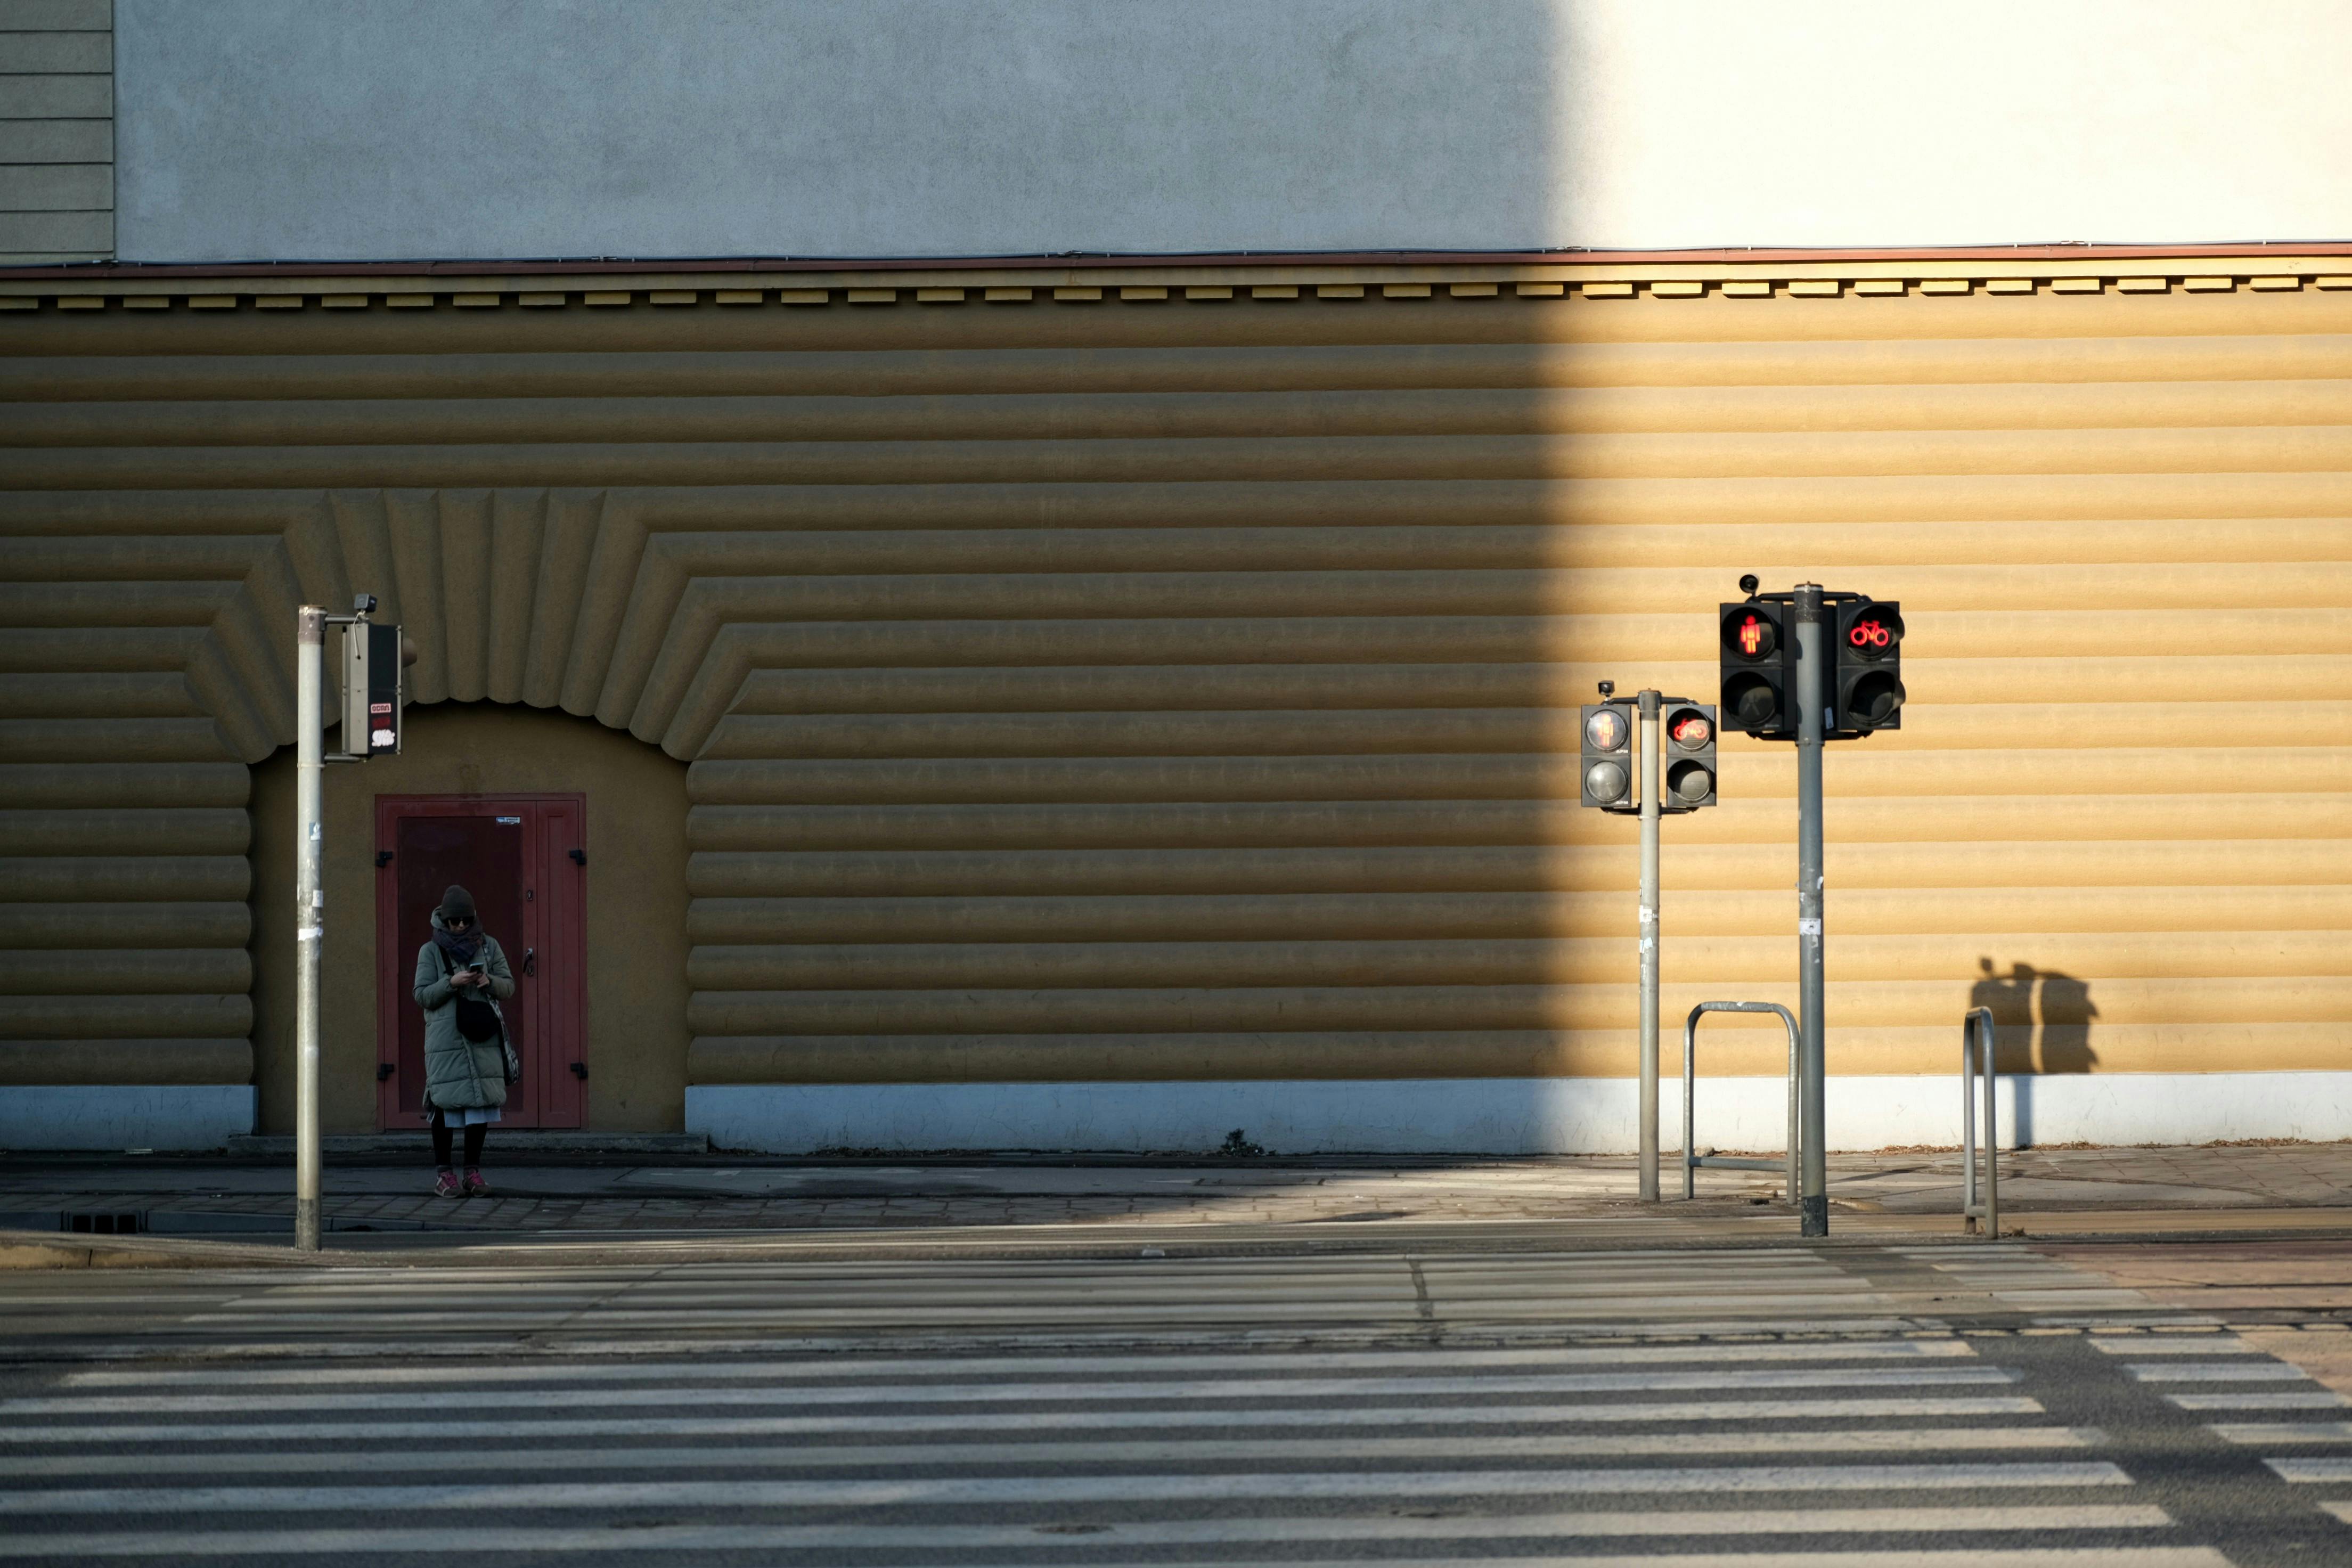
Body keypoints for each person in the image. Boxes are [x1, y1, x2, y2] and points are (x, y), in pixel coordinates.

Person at [413, 885, 514, 1197]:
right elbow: (422, 995)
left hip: (481, 1036)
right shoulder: (430, 951)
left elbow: (508, 986)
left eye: (465, 921)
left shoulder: (489, 946)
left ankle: (472, 1171)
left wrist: (489, 981)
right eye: (453, 922)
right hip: (447, 1040)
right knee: (444, 1105)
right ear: (444, 919)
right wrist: (451, 983)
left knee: (480, 1105)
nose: (459, 927)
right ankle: (444, 1175)